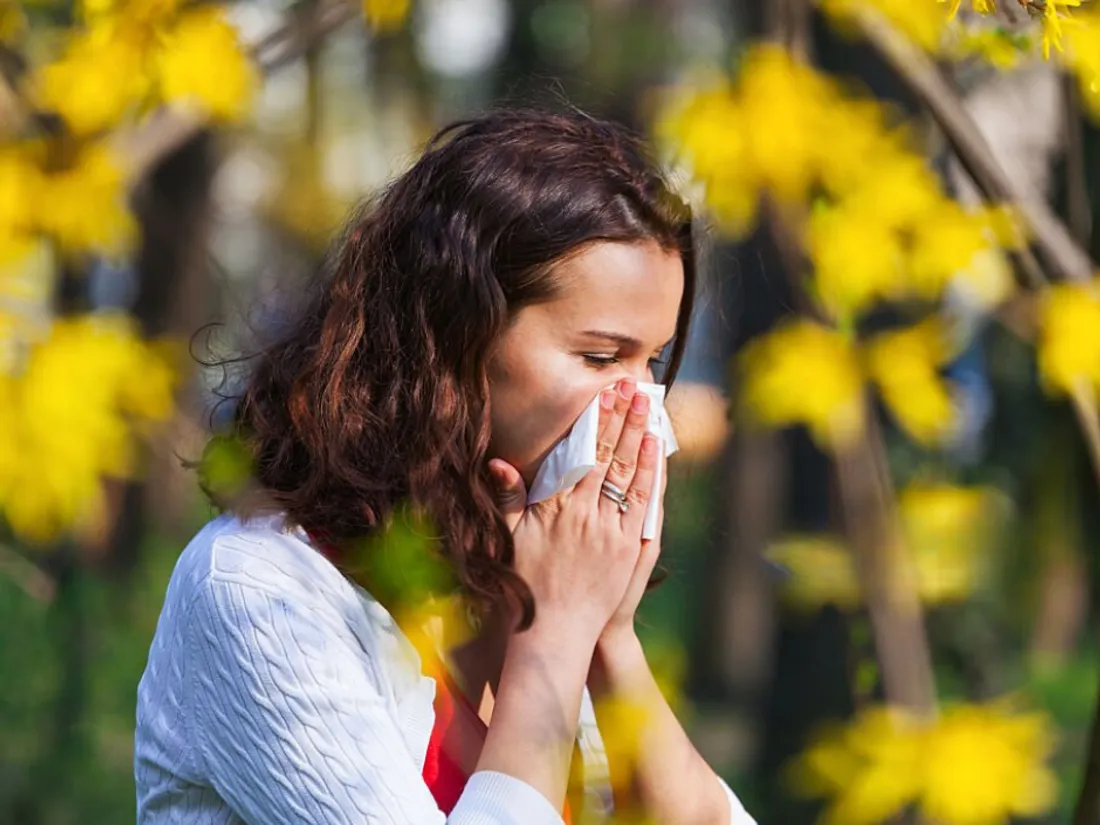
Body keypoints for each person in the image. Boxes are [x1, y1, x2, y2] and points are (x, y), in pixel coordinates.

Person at [135, 108, 757, 825]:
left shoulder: (518, 581)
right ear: (455, 339)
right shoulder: (257, 590)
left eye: (653, 360)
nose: (640, 404)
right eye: (600, 356)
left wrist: (607, 636)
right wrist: (553, 636)